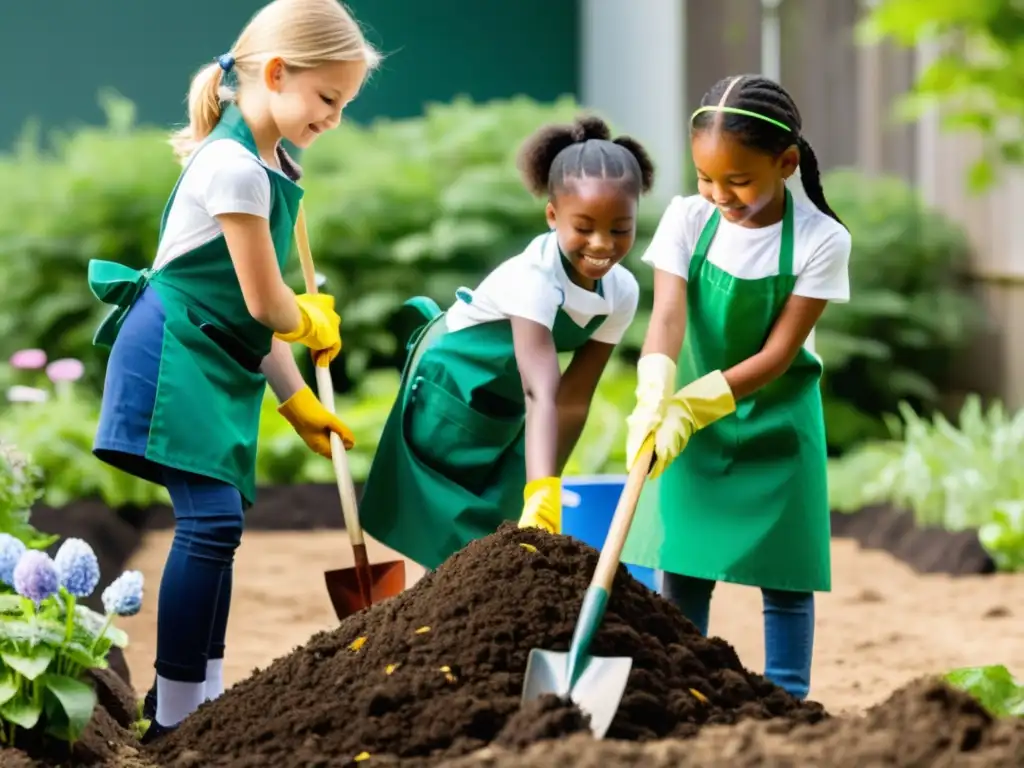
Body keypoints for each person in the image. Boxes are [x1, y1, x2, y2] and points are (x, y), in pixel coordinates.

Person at [87, 0, 378, 739]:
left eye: (343, 104)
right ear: (276, 72)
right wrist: (308, 317)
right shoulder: (233, 167)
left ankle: (199, 697)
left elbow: (255, 315)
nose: (334, 118)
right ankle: (176, 714)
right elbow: (269, 302)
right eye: (327, 98)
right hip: (174, 352)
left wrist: (296, 400)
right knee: (210, 521)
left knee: (219, 525)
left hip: (219, 354)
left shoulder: (273, 164)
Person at [621, 74, 851, 701]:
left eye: (738, 181)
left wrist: (694, 406)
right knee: (684, 563)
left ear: (786, 163)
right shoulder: (688, 219)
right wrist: (655, 391)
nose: (718, 195)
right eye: (705, 178)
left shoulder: (821, 239)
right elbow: (667, 317)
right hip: (688, 421)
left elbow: (779, 353)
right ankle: (684, 688)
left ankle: (789, 698)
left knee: (786, 572)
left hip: (776, 418)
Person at [358, 116, 656, 570]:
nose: (603, 244)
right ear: (553, 216)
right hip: (451, 390)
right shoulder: (533, 278)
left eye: (620, 228)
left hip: (509, 402)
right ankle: (425, 632)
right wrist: (540, 492)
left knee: (502, 531)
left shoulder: (621, 292)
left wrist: (548, 485)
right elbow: (543, 388)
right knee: (451, 533)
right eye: (584, 226)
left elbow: (574, 399)